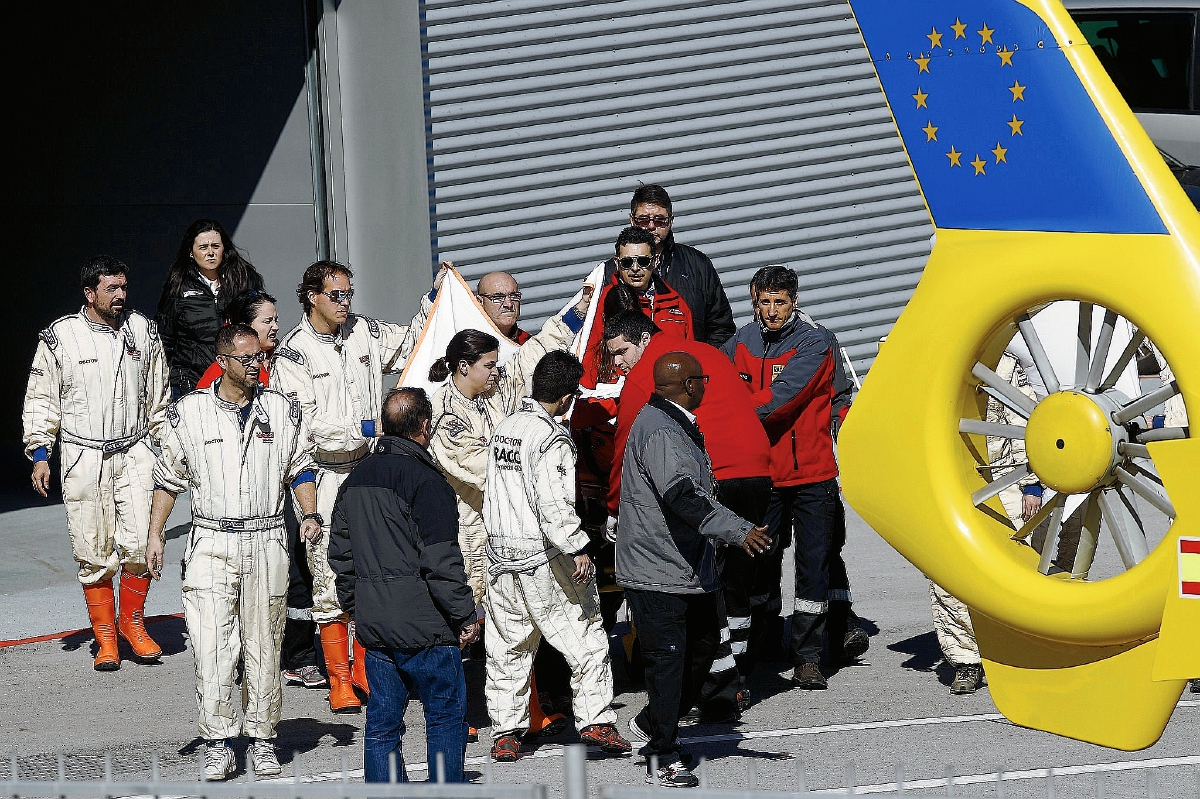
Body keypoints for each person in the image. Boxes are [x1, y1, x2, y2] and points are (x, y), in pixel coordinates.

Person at [145, 323, 321, 780]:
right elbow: (168, 477)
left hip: (266, 539)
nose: (257, 365)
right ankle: (218, 741)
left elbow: (300, 469)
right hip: (211, 541)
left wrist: (309, 514)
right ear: (223, 361)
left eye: (260, 357)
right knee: (212, 646)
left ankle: (263, 739)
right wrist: (155, 533)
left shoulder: (280, 410)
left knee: (265, 642)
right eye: (246, 359)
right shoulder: (190, 413)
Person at [272, 260, 446, 713]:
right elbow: (310, 431)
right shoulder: (292, 355)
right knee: (330, 573)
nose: (346, 303)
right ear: (312, 296)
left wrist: (436, 297)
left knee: (378, 568)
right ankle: (339, 680)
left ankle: (370, 672)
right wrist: (378, 425)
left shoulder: (364, 330)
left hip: (371, 468)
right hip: (324, 474)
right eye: (337, 295)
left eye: (349, 293)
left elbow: (411, 342)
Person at [600, 311, 773, 718]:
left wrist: (613, 507)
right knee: (736, 587)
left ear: (643, 339)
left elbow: (627, 449)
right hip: (756, 468)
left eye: (622, 351)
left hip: (714, 476)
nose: (620, 363)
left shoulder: (652, 374)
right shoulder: (703, 353)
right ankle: (738, 679)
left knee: (705, 587)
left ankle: (714, 691)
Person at [617, 351, 771, 787]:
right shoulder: (662, 430)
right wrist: (737, 530)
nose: (706, 386)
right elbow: (683, 496)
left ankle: (653, 722)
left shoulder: (672, 421)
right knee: (667, 663)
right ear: (688, 385)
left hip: (687, 567)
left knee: (703, 650)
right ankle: (662, 755)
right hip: (657, 569)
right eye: (702, 379)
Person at [721, 265, 867, 690]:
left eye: (779, 302)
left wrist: (732, 415)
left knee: (813, 568)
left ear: (794, 301)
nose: (771, 311)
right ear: (753, 301)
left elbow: (782, 399)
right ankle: (762, 646)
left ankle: (807, 657)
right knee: (760, 568)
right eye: (763, 302)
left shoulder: (815, 341)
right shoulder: (740, 342)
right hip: (763, 476)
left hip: (813, 476)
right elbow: (718, 380)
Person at [482, 352, 631, 761]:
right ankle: (596, 721)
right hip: (542, 559)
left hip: (500, 558)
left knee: (508, 649)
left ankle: (506, 733)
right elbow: (555, 504)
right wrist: (579, 547)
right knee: (587, 639)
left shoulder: (505, 428)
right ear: (566, 397)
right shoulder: (553, 439)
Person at [23, 255, 170, 670]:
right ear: (90, 293)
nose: (121, 295)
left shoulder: (143, 331)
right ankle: (106, 639)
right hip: (83, 456)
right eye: (112, 289)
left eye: (124, 287)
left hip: (137, 451)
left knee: (142, 542)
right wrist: (39, 453)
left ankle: (133, 625)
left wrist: (168, 448)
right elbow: (40, 398)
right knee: (92, 548)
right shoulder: (60, 337)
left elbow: (158, 396)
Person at [327, 387, 480, 783]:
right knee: (445, 717)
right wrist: (465, 614)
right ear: (425, 427)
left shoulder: (355, 479)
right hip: (426, 626)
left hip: (377, 626)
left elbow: (340, 557)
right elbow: (441, 561)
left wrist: (357, 609)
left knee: (382, 723)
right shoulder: (427, 481)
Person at [427, 287, 591, 607]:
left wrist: (580, 308)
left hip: (515, 526)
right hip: (471, 531)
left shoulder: (499, 382)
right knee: (472, 612)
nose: (496, 371)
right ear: (464, 367)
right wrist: (539, 463)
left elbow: (537, 351)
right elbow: (490, 471)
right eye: (488, 365)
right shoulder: (444, 416)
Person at [195, 290, 325, 689]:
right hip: (242, 503)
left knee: (299, 573)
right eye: (267, 320)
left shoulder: (285, 363)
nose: (275, 326)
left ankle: (299, 656)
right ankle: (240, 657)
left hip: (288, 484)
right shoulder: (218, 383)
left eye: (275, 318)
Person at [933, 351, 1042, 695]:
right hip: (947, 481)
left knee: (1019, 569)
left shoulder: (1006, 362)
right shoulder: (926, 359)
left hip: (1003, 477)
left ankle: (1021, 655)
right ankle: (966, 660)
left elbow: (1026, 421)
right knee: (949, 576)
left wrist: (1033, 483)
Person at [602, 185, 735, 347]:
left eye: (659, 220)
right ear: (632, 220)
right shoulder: (609, 271)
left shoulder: (697, 265)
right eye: (643, 219)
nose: (651, 226)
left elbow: (721, 328)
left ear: (670, 220)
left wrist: (705, 365)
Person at [156, 219, 265, 397]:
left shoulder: (243, 280)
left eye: (215, 246)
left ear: (224, 249)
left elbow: (260, 322)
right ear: (191, 252)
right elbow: (165, 339)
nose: (210, 253)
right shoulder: (178, 287)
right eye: (203, 247)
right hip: (191, 383)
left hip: (238, 380)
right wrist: (171, 381)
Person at [581, 226, 693, 391]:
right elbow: (589, 355)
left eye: (643, 261)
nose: (635, 268)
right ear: (617, 263)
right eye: (627, 262)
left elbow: (690, 354)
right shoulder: (602, 301)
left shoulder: (676, 302)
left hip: (669, 397)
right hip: (616, 397)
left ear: (655, 261)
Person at [195, 290, 278, 389]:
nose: (276, 327)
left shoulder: (283, 359)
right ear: (244, 326)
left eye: (275, 320)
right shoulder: (222, 370)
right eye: (267, 321)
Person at [477, 272, 530, 343]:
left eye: (514, 296)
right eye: (498, 297)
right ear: (480, 302)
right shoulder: (467, 346)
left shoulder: (529, 345)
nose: (509, 304)